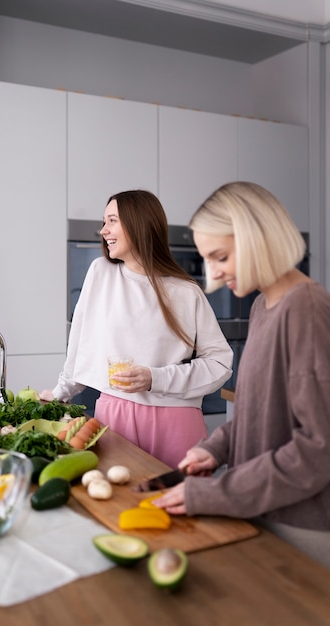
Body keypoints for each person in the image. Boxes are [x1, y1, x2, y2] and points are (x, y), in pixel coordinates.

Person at [152, 181, 330, 570]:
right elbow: (257, 410)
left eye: (221, 257)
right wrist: (215, 449)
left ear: (257, 238)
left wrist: (216, 493)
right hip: (264, 508)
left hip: (302, 525)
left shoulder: (307, 309)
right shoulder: (264, 306)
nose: (213, 274)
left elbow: (319, 448)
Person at [40, 189, 233, 468]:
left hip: (176, 421)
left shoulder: (186, 292)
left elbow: (220, 363)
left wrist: (156, 378)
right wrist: (60, 393)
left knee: (178, 507)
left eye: (112, 220)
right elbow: (81, 343)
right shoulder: (101, 273)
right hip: (113, 415)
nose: (103, 230)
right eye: (104, 222)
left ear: (138, 224)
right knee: (113, 503)